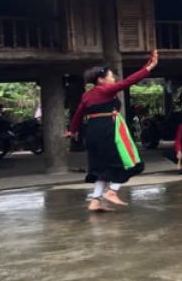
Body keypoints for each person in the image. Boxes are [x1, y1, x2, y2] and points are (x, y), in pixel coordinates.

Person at [66, 50, 158, 211]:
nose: (114, 79)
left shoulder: (87, 95)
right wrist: (149, 68)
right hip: (108, 129)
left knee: (102, 168)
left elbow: (78, 114)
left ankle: (95, 201)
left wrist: (72, 130)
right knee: (131, 163)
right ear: (101, 80)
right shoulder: (105, 90)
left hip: (92, 131)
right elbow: (128, 82)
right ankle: (112, 191)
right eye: (111, 76)